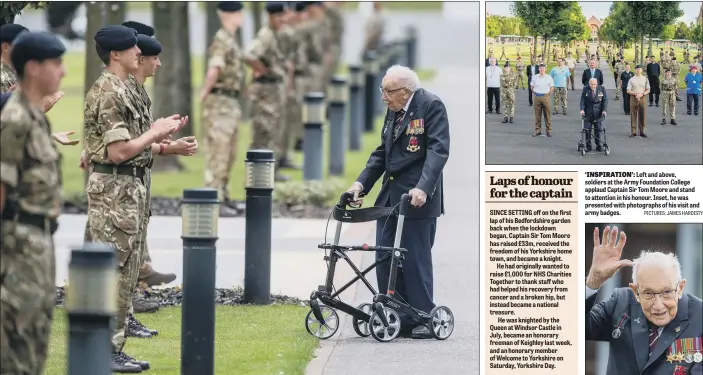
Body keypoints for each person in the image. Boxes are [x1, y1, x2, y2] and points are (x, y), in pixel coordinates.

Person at [84, 25, 185, 373]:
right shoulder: (110, 91)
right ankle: (106, 351)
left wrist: (164, 143)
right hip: (115, 192)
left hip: (128, 190)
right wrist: (154, 133)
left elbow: (130, 147)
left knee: (125, 271)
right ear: (116, 54)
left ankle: (114, 347)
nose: (138, 56)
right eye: (133, 50)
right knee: (114, 272)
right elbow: (117, 152)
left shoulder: (122, 88)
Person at [346, 65, 449, 339]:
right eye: (383, 90)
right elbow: (382, 152)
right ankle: (398, 315)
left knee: (414, 259)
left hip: (417, 199)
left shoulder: (431, 105)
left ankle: (424, 316)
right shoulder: (394, 109)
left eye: (387, 91)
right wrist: (360, 184)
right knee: (384, 256)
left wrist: (423, 187)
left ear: (406, 91)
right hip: (390, 198)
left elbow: (438, 151)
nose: (383, 96)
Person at [0, 30, 66, 375]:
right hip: (16, 252)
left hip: (39, 247)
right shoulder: (14, 121)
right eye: (56, 63)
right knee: (15, 351)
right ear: (34, 68)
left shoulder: (36, 117)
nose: (63, 72)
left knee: (36, 345)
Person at [585, 226, 703, 375]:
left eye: (667, 292)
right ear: (635, 291)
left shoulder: (700, 317)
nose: (658, 306)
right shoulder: (620, 303)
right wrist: (593, 281)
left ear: (680, 288)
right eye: (648, 293)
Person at [200, 1, 246, 210]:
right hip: (219, 102)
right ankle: (214, 198)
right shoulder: (222, 39)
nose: (241, 16)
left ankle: (224, 194)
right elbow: (215, 68)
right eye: (238, 12)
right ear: (227, 14)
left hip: (230, 101)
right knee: (218, 150)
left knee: (229, 151)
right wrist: (204, 92)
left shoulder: (230, 39)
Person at [245, 2, 289, 182]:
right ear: (271, 16)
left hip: (273, 90)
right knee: (263, 131)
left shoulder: (274, 35)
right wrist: (261, 69)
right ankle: (257, 175)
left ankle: (270, 170)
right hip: (265, 91)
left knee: (272, 131)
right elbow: (249, 54)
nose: (283, 20)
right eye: (280, 16)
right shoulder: (266, 35)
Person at [579, 78, 607, 152]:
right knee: (587, 130)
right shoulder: (585, 89)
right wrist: (582, 109)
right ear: (589, 83)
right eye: (591, 84)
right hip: (588, 112)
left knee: (598, 130)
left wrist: (604, 110)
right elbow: (582, 100)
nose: (593, 86)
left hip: (598, 112)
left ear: (597, 84)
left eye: (595, 84)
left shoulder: (601, 89)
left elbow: (605, 101)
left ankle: (599, 145)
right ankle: (588, 146)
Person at [530, 64, 554, 137]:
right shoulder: (535, 77)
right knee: (537, 115)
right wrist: (535, 92)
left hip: (545, 97)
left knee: (547, 115)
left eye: (543, 68)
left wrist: (548, 94)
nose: (542, 70)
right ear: (538, 69)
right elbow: (532, 86)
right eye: (540, 68)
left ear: (545, 69)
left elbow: (552, 87)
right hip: (537, 97)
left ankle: (548, 131)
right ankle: (538, 130)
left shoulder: (548, 77)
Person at [626, 64, 650, 138]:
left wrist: (642, 94)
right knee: (633, 114)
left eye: (639, 69)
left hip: (642, 97)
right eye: (637, 69)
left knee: (643, 114)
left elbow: (648, 89)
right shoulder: (632, 79)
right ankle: (633, 132)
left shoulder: (645, 79)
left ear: (642, 70)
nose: (638, 70)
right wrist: (635, 93)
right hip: (633, 97)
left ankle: (642, 131)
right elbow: (628, 90)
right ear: (635, 70)